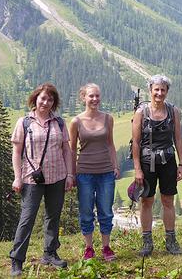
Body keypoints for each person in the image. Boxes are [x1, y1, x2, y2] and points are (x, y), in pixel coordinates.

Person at [9, 83, 74, 276]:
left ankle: (50, 253)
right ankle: (17, 259)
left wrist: (70, 175)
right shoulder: (24, 122)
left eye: (50, 99)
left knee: (53, 217)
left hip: (57, 177)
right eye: (43, 98)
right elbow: (17, 152)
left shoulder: (59, 123)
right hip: (31, 178)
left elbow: (66, 150)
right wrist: (17, 178)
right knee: (27, 219)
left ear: (54, 103)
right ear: (35, 99)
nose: (46, 102)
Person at [132, 75, 182, 256]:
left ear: (167, 92)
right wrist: (137, 168)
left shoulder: (173, 112)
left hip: (168, 161)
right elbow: (136, 142)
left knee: (168, 200)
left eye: (163, 90)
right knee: (146, 201)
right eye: (156, 89)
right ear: (150, 90)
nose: (159, 93)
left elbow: (178, 138)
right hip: (147, 163)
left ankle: (171, 240)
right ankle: (147, 242)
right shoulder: (141, 113)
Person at [69, 83, 119, 261]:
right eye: (91, 96)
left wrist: (115, 166)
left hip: (106, 172)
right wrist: (72, 173)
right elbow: (72, 149)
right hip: (85, 174)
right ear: (83, 98)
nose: (95, 99)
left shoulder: (108, 119)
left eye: (97, 95)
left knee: (106, 210)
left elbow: (111, 144)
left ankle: (106, 247)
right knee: (86, 211)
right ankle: (88, 248)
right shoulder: (76, 121)